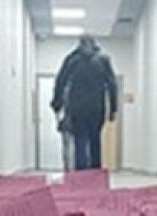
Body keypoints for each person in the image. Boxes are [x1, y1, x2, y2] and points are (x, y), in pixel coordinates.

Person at [51, 34, 119, 172]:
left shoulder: (72, 60)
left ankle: (81, 175)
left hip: (77, 109)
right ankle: (95, 174)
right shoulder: (103, 60)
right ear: (94, 44)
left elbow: (61, 81)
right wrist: (113, 109)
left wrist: (57, 103)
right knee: (95, 141)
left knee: (79, 142)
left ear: (79, 44)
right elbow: (112, 85)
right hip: (97, 108)